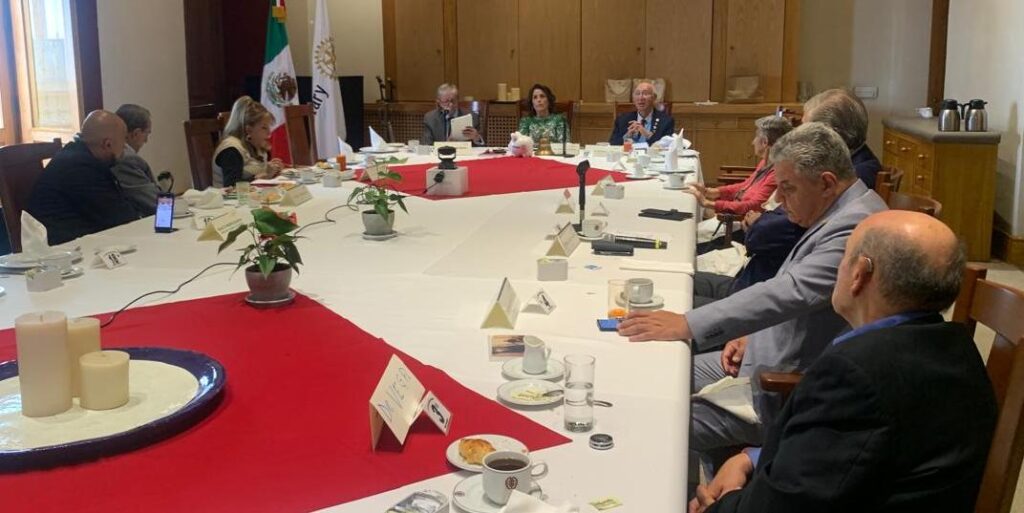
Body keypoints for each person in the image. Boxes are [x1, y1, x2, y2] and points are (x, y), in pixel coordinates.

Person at [618, 123, 888, 470]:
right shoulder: (847, 208)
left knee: (651, 417)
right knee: (648, 372)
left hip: (779, 388)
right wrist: (751, 334)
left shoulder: (855, 225)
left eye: (788, 189)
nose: (781, 201)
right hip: (761, 354)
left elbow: (790, 292)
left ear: (826, 183)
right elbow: (799, 293)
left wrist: (688, 324)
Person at [690, 210, 997, 513]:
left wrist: (719, 505)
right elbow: (840, 458)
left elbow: (790, 502)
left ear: (859, 275)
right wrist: (751, 458)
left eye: (844, 257)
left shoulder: (856, 375)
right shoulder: (957, 348)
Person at [27, 110, 142, 245]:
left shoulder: (78, 155)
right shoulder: (80, 169)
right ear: (108, 144)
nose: (124, 150)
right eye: (123, 144)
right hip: (63, 248)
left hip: (79, 239)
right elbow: (120, 218)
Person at [688, 116, 792, 218]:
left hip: (740, 219)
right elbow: (745, 186)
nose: (753, 142)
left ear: (765, 142)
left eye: (756, 137)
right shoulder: (766, 161)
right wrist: (710, 192)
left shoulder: (777, 173)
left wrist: (708, 203)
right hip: (735, 209)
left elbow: (755, 206)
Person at [803, 88, 881, 188]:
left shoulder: (858, 175)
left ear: (834, 135)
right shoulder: (846, 159)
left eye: (808, 131)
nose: (802, 136)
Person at [212, 96, 284, 188]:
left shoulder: (255, 144)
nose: (269, 133)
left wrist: (272, 169)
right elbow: (231, 187)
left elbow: (255, 170)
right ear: (249, 130)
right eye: (264, 128)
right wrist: (264, 176)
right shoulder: (231, 150)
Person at [111, 104, 161, 215]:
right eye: (147, 134)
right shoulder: (126, 159)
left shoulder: (111, 152)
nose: (146, 141)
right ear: (136, 134)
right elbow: (156, 203)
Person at [608, 80, 675, 145]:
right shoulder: (622, 119)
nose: (641, 98)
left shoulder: (666, 121)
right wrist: (627, 136)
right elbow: (612, 143)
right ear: (633, 99)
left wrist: (648, 135)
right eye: (637, 94)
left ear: (654, 97)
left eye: (645, 93)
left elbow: (667, 146)